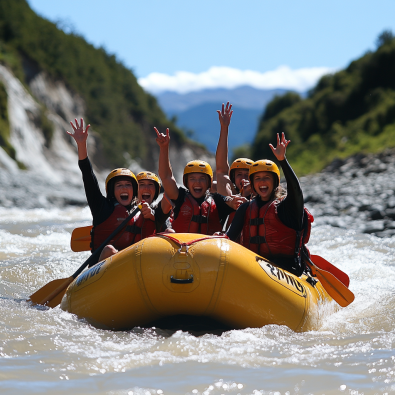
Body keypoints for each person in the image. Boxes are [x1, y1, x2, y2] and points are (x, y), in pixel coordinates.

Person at [67, 118, 170, 263]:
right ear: (112, 191)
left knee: (168, 234)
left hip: (134, 265)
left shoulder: (144, 211)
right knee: (109, 250)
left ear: (133, 190)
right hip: (103, 266)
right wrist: (82, 145)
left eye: (128, 185)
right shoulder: (101, 207)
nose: (124, 188)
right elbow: (88, 176)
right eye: (119, 185)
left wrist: (152, 217)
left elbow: (168, 195)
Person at [226, 132, 313, 276]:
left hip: (286, 271)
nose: (262, 182)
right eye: (258, 178)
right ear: (253, 184)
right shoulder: (245, 208)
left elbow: (296, 192)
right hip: (253, 268)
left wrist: (282, 160)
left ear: (275, 183)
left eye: (267, 177)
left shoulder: (286, 208)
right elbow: (229, 238)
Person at [155, 127, 245, 234]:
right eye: (192, 179)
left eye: (202, 178)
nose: (197, 182)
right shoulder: (180, 196)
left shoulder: (217, 199)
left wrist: (235, 203)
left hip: (208, 248)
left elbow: (229, 202)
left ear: (209, 182)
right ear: (186, 182)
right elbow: (166, 177)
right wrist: (164, 147)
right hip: (183, 247)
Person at [215, 102, 253, 199]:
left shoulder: (263, 198)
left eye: (247, 175)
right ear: (233, 179)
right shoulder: (230, 198)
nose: (243, 178)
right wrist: (224, 127)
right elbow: (221, 170)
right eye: (239, 174)